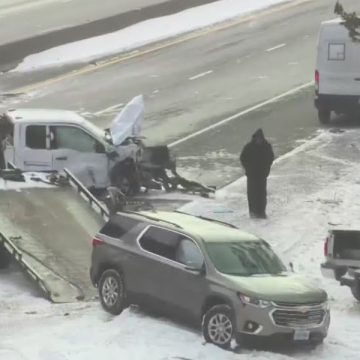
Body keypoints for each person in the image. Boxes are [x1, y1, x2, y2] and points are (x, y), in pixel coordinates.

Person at [240, 129, 274, 219]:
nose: (259, 141)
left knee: (261, 195)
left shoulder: (266, 146)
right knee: (252, 195)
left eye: (260, 139)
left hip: (262, 175)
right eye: (257, 139)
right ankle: (253, 212)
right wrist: (248, 168)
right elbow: (243, 158)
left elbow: (270, 158)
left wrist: (266, 169)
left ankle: (261, 212)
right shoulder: (249, 147)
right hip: (252, 175)